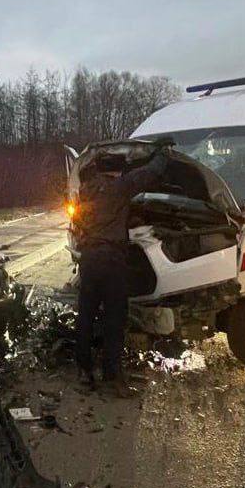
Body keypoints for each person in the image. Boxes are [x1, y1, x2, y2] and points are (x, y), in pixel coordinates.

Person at [74, 147, 171, 385]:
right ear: (116, 172)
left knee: (86, 315)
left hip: (88, 259)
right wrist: (163, 153)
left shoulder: (85, 191)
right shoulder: (118, 188)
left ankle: (84, 370)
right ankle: (112, 373)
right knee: (114, 318)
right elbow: (149, 174)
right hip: (111, 260)